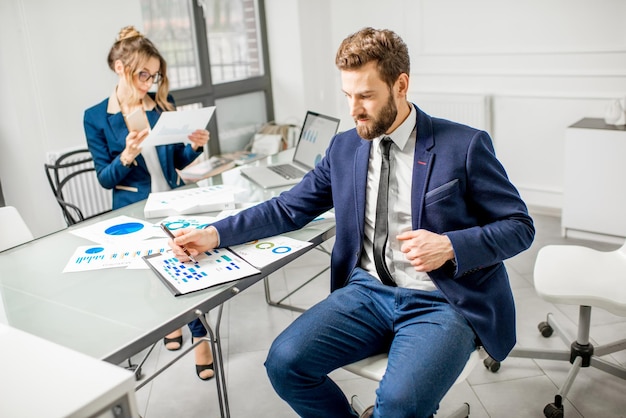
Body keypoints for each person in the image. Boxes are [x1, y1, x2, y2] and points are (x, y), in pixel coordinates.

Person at [168, 27, 535, 417]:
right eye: (348, 96)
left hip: (442, 299)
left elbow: (519, 225)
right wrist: (214, 234)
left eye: (365, 96)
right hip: (367, 292)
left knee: (399, 403)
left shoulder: (463, 145)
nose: (353, 110)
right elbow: (288, 208)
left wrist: (449, 246)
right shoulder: (345, 147)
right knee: (284, 363)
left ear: (401, 85)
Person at [84, 26, 214, 381]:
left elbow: (177, 163)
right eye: (144, 75)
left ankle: (196, 336)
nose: (150, 82)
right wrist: (126, 155)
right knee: (165, 268)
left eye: (155, 76)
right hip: (134, 208)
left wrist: (195, 144)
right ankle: (183, 330)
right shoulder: (96, 117)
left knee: (187, 265)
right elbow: (104, 179)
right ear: (121, 69)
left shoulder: (159, 106)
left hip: (171, 199)